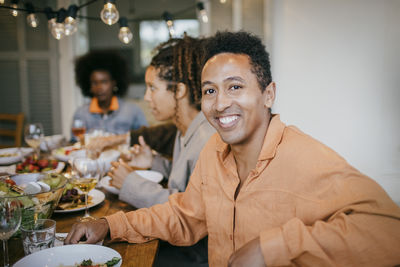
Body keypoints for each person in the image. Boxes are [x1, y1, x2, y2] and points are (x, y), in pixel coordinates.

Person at [65, 32, 400, 266]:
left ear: (268, 94)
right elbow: (185, 214)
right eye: (210, 91)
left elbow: (389, 231)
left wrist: (272, 248)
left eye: (235, 87)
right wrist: (111, 227)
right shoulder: (215, 150)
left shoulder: (306, 158)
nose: (220, 104)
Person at [108, 36, 215, 266]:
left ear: (179, 90)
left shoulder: (209, 139)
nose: (147, 98)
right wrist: (154, 162)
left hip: (197, 254)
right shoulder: (185, 128)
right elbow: (186, 181)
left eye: (152, 88)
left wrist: (130, 183)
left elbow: (189, 212)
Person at [72, 50, 148, 139]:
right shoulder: (81, 114)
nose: (99, 87)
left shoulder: (133, 111)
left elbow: (146, 138)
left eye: (104, 82)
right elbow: (74, 143)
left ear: (114, 83)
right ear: (89, 86)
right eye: (95, 83)